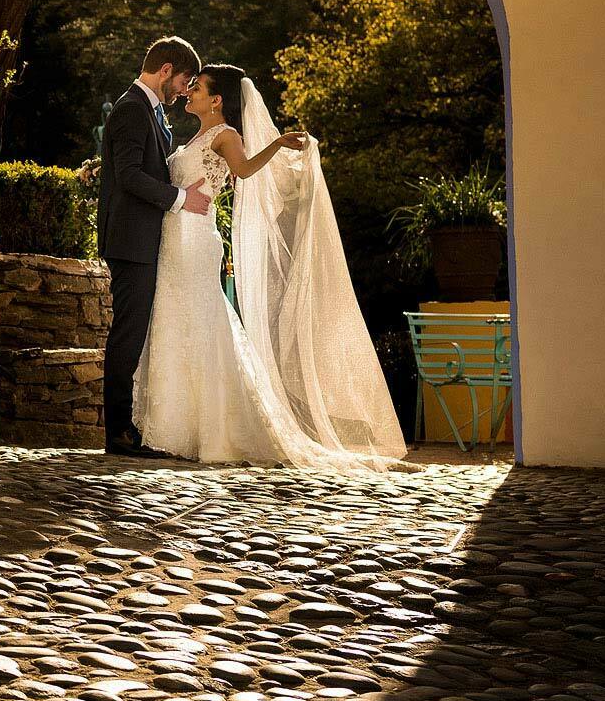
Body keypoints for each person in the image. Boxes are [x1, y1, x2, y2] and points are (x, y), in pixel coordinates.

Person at [131, 63, 406, 468]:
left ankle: (214, 429)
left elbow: (242, 171)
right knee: (176, 320)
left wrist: (276, 145)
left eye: (197, 88)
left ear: (217, 99)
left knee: (201, 322)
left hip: (194, 239)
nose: (189, 92)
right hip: (176, 238)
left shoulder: (226, 136)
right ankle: (177, 427)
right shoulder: (197, 136)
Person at [97, 36, 211, 457]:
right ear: (165, 70)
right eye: (183, 81)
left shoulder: (148, 110)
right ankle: (118, 435)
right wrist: (181, 199)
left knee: (137, 332)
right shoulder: (131, 109)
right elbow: (128, 175)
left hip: (142, 240)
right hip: (129, 241)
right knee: (128, 333)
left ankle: (128, 430)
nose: (184, 90)